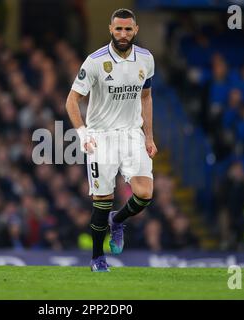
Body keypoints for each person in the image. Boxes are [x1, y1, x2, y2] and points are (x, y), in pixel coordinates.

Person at [65, 8, 157, 272]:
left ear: (135, 30)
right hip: (101, 136)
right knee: (102, 201)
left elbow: (146, 97)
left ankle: (118, 221)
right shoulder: (95, 61)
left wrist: (149, 136)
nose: (123, 34)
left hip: (131, 134)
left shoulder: (146, 59)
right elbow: (72, 100)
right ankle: (97, 258)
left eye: (128, 29)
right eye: (118, 29)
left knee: (144, 194)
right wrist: (83, 134)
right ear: (110, 29)